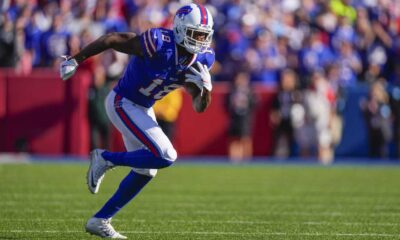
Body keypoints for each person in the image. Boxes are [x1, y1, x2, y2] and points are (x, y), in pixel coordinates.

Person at [59, 4, 215, 239]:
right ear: (181, 29)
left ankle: (100, 220)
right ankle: (105, 158)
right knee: (166, 155)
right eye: (197, 34)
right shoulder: (158, 42)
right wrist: (76, 59)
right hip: (122, 101)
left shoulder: (201, 58)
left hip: (142, 108)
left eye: (205, 35)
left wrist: (206, 90)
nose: (201, 41)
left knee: (147, 170)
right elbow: (112, 39)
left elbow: (198, 107)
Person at [225, 71, 256, 162]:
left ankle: (246, 159)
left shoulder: (249, 91)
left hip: (245, 119)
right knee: (234, 139)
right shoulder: (232, 91)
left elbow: (254, 104)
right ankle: (234, 160)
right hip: (234, 119)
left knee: (245, 139)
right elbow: (226, 104)